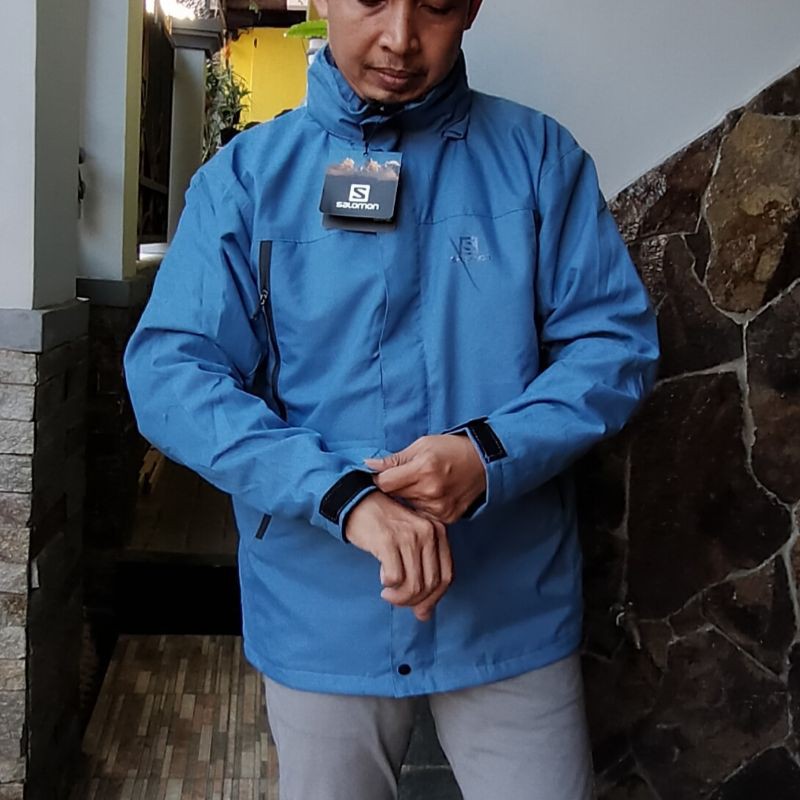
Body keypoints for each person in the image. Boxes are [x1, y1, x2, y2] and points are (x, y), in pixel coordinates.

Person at [124, 1, 659, 797]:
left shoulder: (540, 160)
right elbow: (171, 375)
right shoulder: (246, 180)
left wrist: (489, 453)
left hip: (507, 603)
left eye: (435, 6)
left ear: (471, 8)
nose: (401, 38)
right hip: (320, 607)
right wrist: (340, 495)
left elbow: (612, 345)